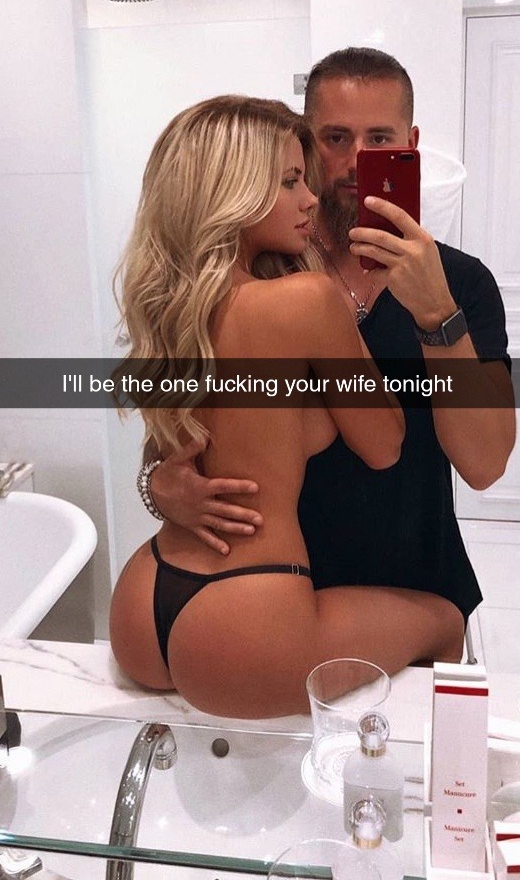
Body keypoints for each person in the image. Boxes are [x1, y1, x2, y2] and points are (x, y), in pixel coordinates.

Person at [110, 95, 464, 719]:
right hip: (250, 611)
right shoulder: (305, 299)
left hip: (144, 598)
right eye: (290, 181)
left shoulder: (171, 309)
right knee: (446, 622)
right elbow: (384, 445)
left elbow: (175, 458)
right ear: (231, 193)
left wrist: (155, 485)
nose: (310, 199)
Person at [145, 48, 515, 625]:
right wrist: (158, 487)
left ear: (411, 143)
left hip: (417, 589)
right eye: (336, 138)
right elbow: (177, 429)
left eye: (379, 139)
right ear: (304, 139)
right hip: (272, 596)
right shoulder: (254, 271)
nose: (354, 161)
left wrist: (436, 314)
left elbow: (486, 464)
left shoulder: (461, 283)